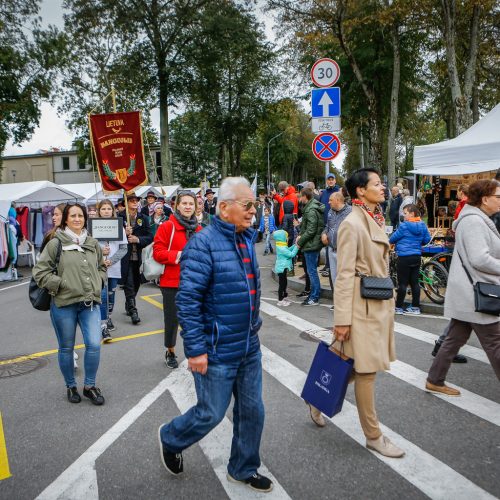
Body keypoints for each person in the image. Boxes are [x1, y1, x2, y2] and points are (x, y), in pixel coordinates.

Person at [158, 177, 273, 493]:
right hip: (216, 348)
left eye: (255, 204)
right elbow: (188, 300)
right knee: (210, 413)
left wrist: (254, 328)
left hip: (248, 345)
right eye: (247, 204)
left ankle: (243, 467)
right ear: (224, 208)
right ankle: (171, 437)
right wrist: (195, 349)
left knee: (253, 411)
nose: (253, 211)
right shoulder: (202, 243)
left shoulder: (246, 239)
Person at [311, 167, 405, 459]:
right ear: (360, 191)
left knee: (357, 365)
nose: (383, 187)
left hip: (377, 303)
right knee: (366, 371)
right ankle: (373, 436)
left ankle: (316, 400)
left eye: (382, 183)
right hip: (361, 306)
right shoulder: (352, 223)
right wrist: (341, 320)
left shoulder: (373, 217)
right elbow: (343, 274)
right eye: (376, 184)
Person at [426, 179, 500, 396]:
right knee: (496, 344)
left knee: (453, 340)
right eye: (498, 196)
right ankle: (434, 380)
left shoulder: (476, 219)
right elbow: (480, 259)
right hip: (475, 293)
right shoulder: (474, 221)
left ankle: (434, 379)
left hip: (469, 293)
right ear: (485, 199)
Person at [32, 203, 107, 405]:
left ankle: (89, 386)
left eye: (80, 216)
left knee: (94, 345)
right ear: (65, 219)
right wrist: (61, 284)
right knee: (66, 348)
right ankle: (70, 385)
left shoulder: (92, 242)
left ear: (85, 218)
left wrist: (99, 280)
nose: (77, 219)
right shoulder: (56, 243)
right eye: (73, 216)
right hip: (64, 304)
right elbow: (39, 272)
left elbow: (101, 267)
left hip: (89, 304)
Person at [153, 191, 201, 368]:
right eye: (185, 203)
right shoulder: (167, 226)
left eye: (191, 204)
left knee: (196, 320)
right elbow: (158, 252)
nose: (188, 206)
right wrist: (180, 255)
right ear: (177, 206)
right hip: (172, 282)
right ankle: (170, 351)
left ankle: (196, 351)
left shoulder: (199, 228)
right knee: (172, 320)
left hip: (195, 282)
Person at [389, 204, 431, 315]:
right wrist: (418, 242)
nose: (403, 215)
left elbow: (392, 239)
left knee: (402, 283)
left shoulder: (404, 226)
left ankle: (398, 307)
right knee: (415, 283)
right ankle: (415, 307)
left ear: (412, 213)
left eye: (405, 213)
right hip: (416, 256)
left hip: (404, 257)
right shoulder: (422, 225)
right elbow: (427, 239)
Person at [96, 199, 128, 340]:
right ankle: (102, 324)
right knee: (102, 296)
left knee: (111, 296)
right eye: (103, 209)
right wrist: (101, 256)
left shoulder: (119, 226)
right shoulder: (93, 227)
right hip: (99, 268)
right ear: (99, 211)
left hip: (114, 267)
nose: (106, 211)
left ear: (112, 210)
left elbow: (123, 247)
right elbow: (90, 247)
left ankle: (108, 317)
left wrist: (111, 260)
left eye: (109, 209)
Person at [121, 192, 153, 324]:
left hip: (138, 255)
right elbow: (113, 236)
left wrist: (138, 239)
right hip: (124, 256)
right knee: (128, 283)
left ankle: (129, 302)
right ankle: (134, 311)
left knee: (136, 282)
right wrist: (124, 233)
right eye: (132, 200)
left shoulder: (143, 218)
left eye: (136, 200)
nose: (135, 202)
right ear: (126, 202)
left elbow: (150, 236)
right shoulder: (119, 217)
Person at [321, 191, 352, 304]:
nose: (328, 202)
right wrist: (324, 233)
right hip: (331, 249)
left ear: (338, 200)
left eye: (330, 200)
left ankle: (346, 303)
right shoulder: (330, 211)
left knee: (344, 278)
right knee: (334, 278)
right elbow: (327, 226)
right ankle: (338, 302)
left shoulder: (350, 212)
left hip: (344, 251)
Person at [296, 187, 324, 306]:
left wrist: (300, 240)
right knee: (311, 271)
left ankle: (314, 297)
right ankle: (314, 294)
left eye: (300, 196)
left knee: (311, 271)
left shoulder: (311, 209)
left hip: (311, 244)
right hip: (312, 243)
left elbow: (311, 230)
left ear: (305, 196)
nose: (299, 198)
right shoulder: (311, 207)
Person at [319, 173, 341, 276]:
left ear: (335, 181)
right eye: (329, 179)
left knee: (334, 246)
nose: (331, 181)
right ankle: (327, 265)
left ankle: (332, 266)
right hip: (325, 223)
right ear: (327, 181)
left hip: (336, 224)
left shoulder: (339, 192)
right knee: (327, 245)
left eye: (332, 179)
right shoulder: (323, 193)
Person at [273, 229, 299, 307]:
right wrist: (297, 247)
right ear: (282, 238)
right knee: (282, 284)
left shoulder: (281, 246)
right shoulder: (281, 248)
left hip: (283, 268)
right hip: (281, 268)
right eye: (286, 237)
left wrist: (295, 245)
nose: (287, 239)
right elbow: (291, 254)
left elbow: (288, 249)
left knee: (284, 283)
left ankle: (284, 297)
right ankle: (280, 300)